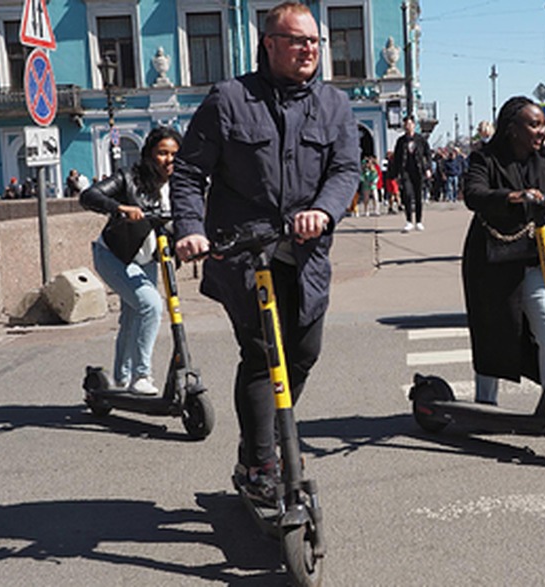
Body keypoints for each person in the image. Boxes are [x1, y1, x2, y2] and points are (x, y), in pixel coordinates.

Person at [170, 1, 359, 505]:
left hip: (307, 253)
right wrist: (191, 229)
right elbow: (190, 173)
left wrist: (323, 210)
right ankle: (261, 461)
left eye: (315, 41)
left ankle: (264, 437)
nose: (310, 49)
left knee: (303, 352)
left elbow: (346, 171)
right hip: (245, 252)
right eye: (298, 41)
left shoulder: (335, 106)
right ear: (269, 43)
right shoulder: (230, 99)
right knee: (260, 355)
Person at [460, 95, 545, 406]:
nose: (542, 131)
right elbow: (474, 194)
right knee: (492, 334)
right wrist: (514, 196)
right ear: (513, 129)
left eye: (542, 124)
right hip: (491, 262)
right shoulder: (485, 159)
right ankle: (485, 405)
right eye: (534, 125)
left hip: (533, 258)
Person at [80, 127, 183, 395]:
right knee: (150, 306)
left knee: (132, 315)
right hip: (114, 254)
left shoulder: (180, 186)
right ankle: (142, 375)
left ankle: (121, 379)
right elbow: (89, 196)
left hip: (147, 259)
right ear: (150, 154)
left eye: (174, 154)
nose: (168, 160)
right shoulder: (130, 178)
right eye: (162, 153)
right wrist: (120, 207)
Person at [391, 115, 431, 231]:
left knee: (418, 197)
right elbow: (397, 158)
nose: (407, 127)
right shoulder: (401, 141)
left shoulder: (420, 140)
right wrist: (395, 174)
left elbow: (427, 154)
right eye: (405, 125)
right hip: (406, 171)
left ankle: (418, 221)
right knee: (407, 195)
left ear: (414, 125)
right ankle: (409, 221)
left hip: (418, 171)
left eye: (409, 124)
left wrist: (428, 168)